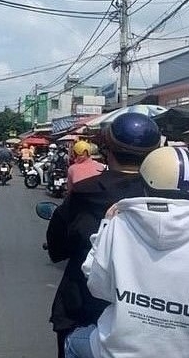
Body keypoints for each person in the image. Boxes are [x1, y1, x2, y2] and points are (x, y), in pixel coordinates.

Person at [46, 113, 161, 358]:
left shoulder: (84, 193)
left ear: (108, 149)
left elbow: (57, 248)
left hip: (83, 307)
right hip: (150, 315)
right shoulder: (163, 197)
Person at [65, 146, 189, 358]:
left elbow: (98, 286)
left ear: (144, 184)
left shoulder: (119, 221)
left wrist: (105, 225)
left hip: (115, 349)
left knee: (72, 342)